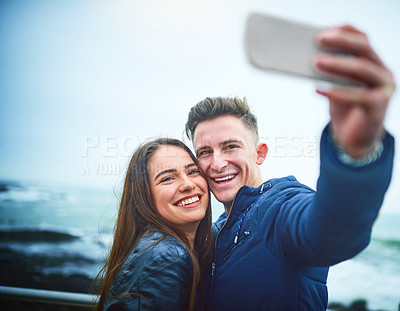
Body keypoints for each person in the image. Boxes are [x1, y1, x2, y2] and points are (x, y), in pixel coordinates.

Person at [184, 25, 396, 310]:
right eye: (205, 152)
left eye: (231, 146)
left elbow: (330, 232)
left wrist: (355, 156)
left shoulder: (277, 207)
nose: (218, 163)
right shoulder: (215, 231)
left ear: (259, 153)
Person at [95, 138, 213, 311]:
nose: (188, 185)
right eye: (167, 178)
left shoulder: (165, 249)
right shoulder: (165, 257)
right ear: (145, 197)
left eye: (193, 172)